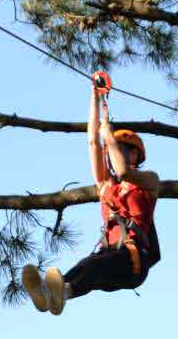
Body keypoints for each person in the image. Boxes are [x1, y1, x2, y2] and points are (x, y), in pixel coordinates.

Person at [21, 80, 161, 315]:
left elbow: (124, 170)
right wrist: (94, 97)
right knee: (87, 265)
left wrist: (109, 136)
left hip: (133, 261)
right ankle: (50, 294)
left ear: (136, 153)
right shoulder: (107, 187)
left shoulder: (149, 181)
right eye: (117, 149)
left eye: (123, 148)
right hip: (111, 257)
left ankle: (60, 293)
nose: (116, 152)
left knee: (94, 264)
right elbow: (93, 142)